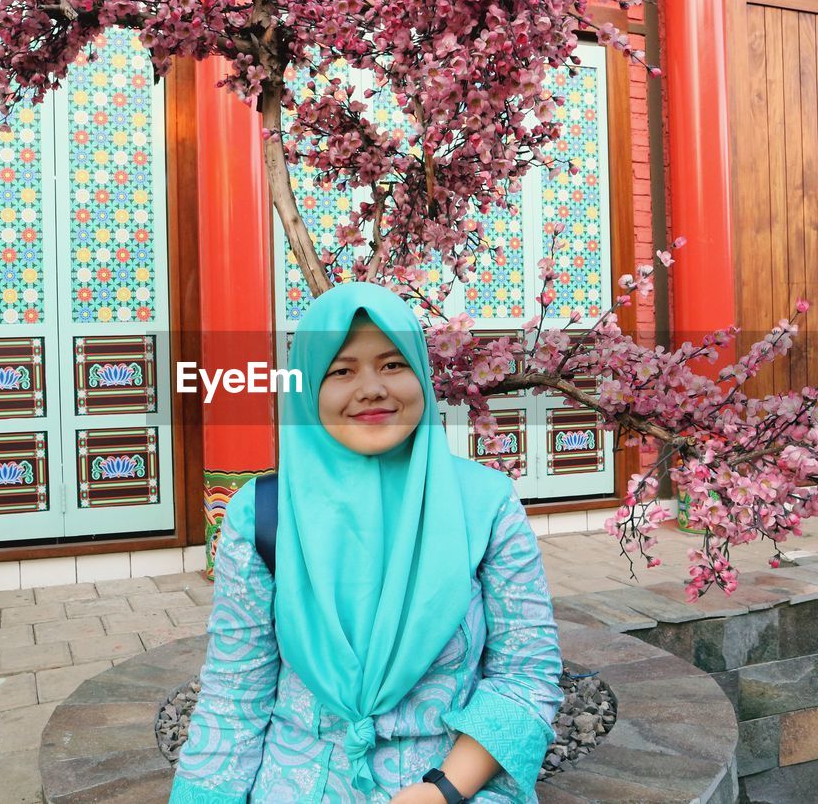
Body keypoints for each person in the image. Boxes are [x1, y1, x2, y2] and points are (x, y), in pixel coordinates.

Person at [170, 282, 564, 803]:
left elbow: (526, 674)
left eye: (393, 364)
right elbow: (234, 693)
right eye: (341, 371)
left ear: (421, 373)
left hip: (453, 783)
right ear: (307, 385)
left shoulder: (485, 506)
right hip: (298, 782)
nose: (372, 388)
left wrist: (442, 789)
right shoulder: (263, 514)